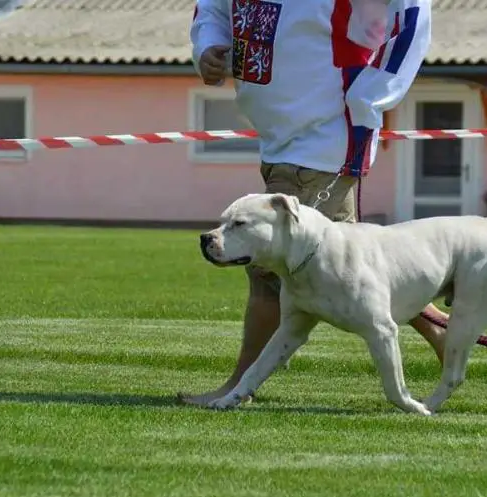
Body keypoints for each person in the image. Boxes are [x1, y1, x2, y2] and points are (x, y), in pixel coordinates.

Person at [180, 0, 455, 406]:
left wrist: (373, 92)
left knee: (268, 273)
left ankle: (238, 389)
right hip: (276, 142)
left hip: (324, 144)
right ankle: (441, 331)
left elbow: (411, 12)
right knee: (356, 271)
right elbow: (213, 10)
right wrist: (208, 47)